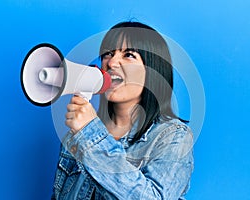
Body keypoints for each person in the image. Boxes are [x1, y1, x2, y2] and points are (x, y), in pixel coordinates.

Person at [51, 21, 194, 200]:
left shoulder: (172, 137)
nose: (111, 62)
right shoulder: (75, 137)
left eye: (128, 55)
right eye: (108, 54)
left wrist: (90, 134)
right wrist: (85, 133)